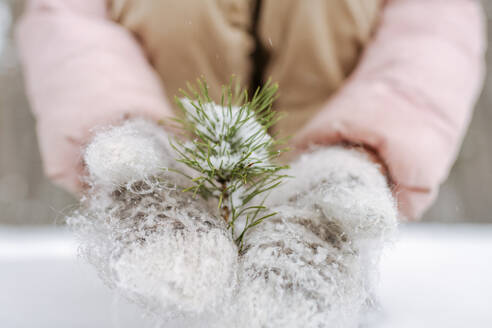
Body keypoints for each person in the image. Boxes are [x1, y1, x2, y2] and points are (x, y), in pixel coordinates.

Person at [16, 0, 486, 326]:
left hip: (320, 159)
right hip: (177, 152)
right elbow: (67, 24)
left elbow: (434, 31)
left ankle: (318, 228)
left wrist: (361, 149)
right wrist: (120, 127)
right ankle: (162, 204)